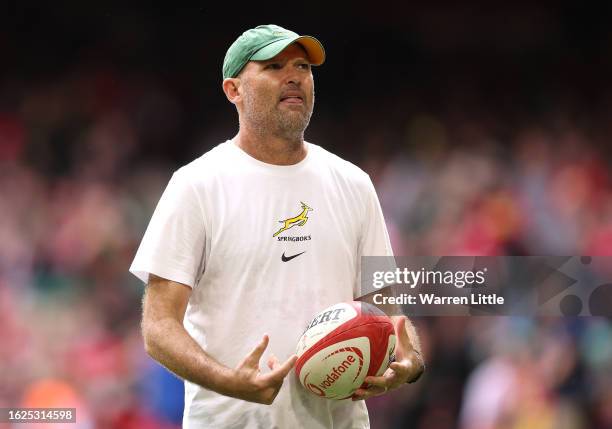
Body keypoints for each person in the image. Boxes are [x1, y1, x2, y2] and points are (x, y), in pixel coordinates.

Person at [130, 24, 424, 429]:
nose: (294, 76)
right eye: (273, 66)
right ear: (234, 90)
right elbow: (158, 326)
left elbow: (385, 308)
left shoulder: (353, 183)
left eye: (303, 66)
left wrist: (408, 359)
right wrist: (229, 381)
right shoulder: (196, 185)